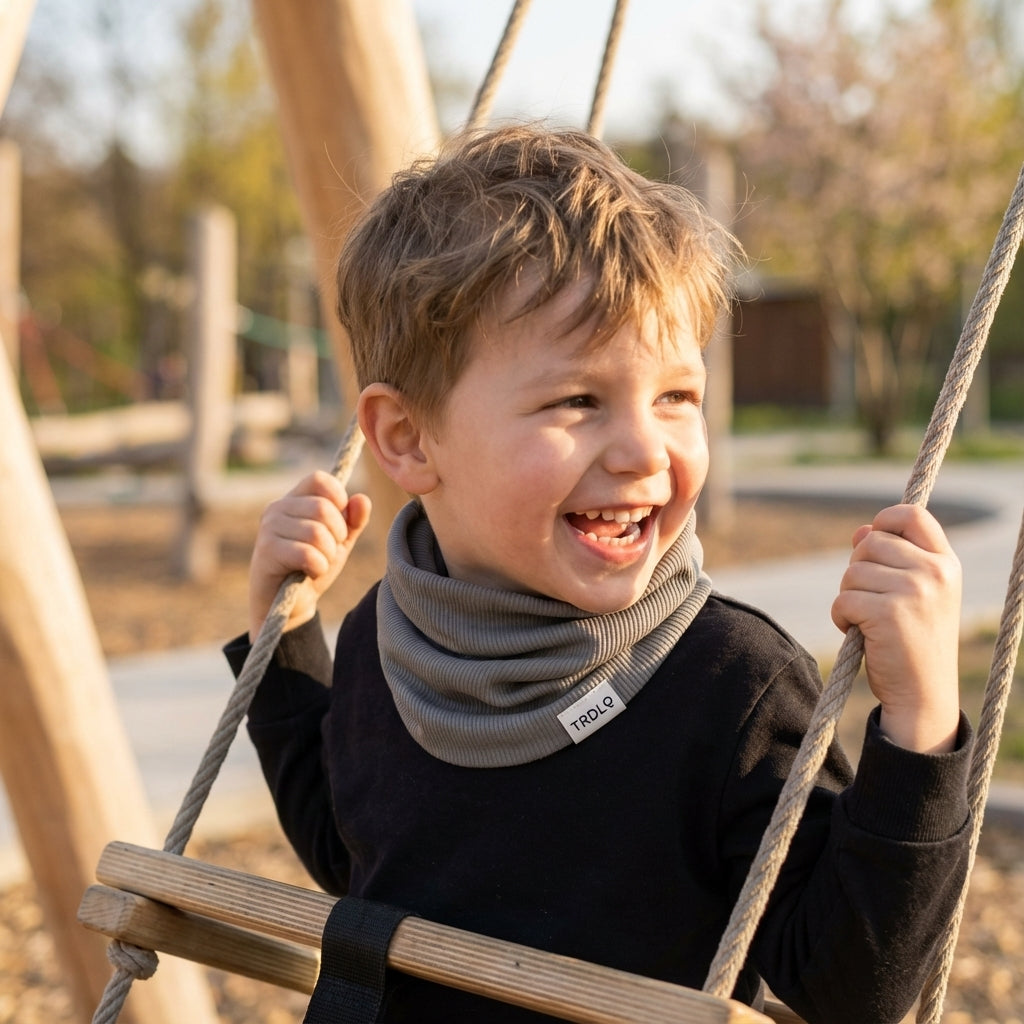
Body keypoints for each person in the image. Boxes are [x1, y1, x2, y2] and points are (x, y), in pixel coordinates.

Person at [225, 125, 972, 1023]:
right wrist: (285, 628)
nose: (643, 450)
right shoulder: (391, 638)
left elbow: (852, 989)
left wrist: (922, 727)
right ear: (407, 438)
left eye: (676, 397)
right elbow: (358, 859)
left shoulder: (725, 686)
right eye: (578, 399)